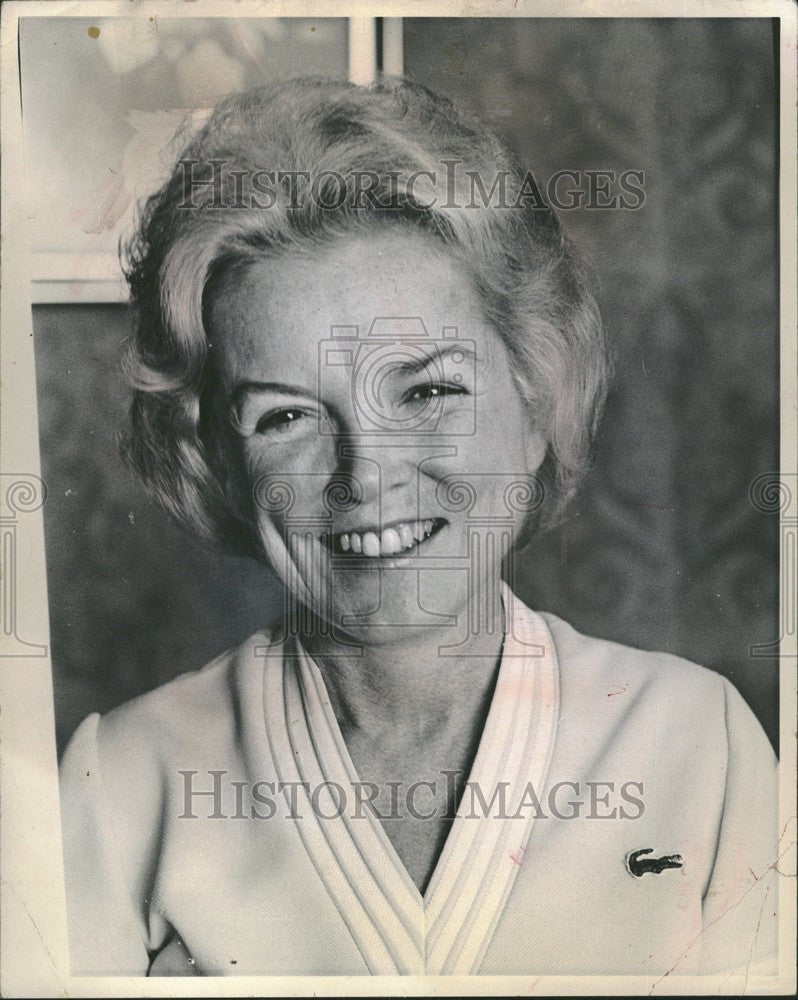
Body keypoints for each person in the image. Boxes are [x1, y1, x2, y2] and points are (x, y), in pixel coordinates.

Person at [58, 76, 778, 978]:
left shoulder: (694, 741)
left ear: (533, 399)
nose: (370, 475)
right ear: (222, 463)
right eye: (286, 417)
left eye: (430, 390)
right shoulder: (121, 781)